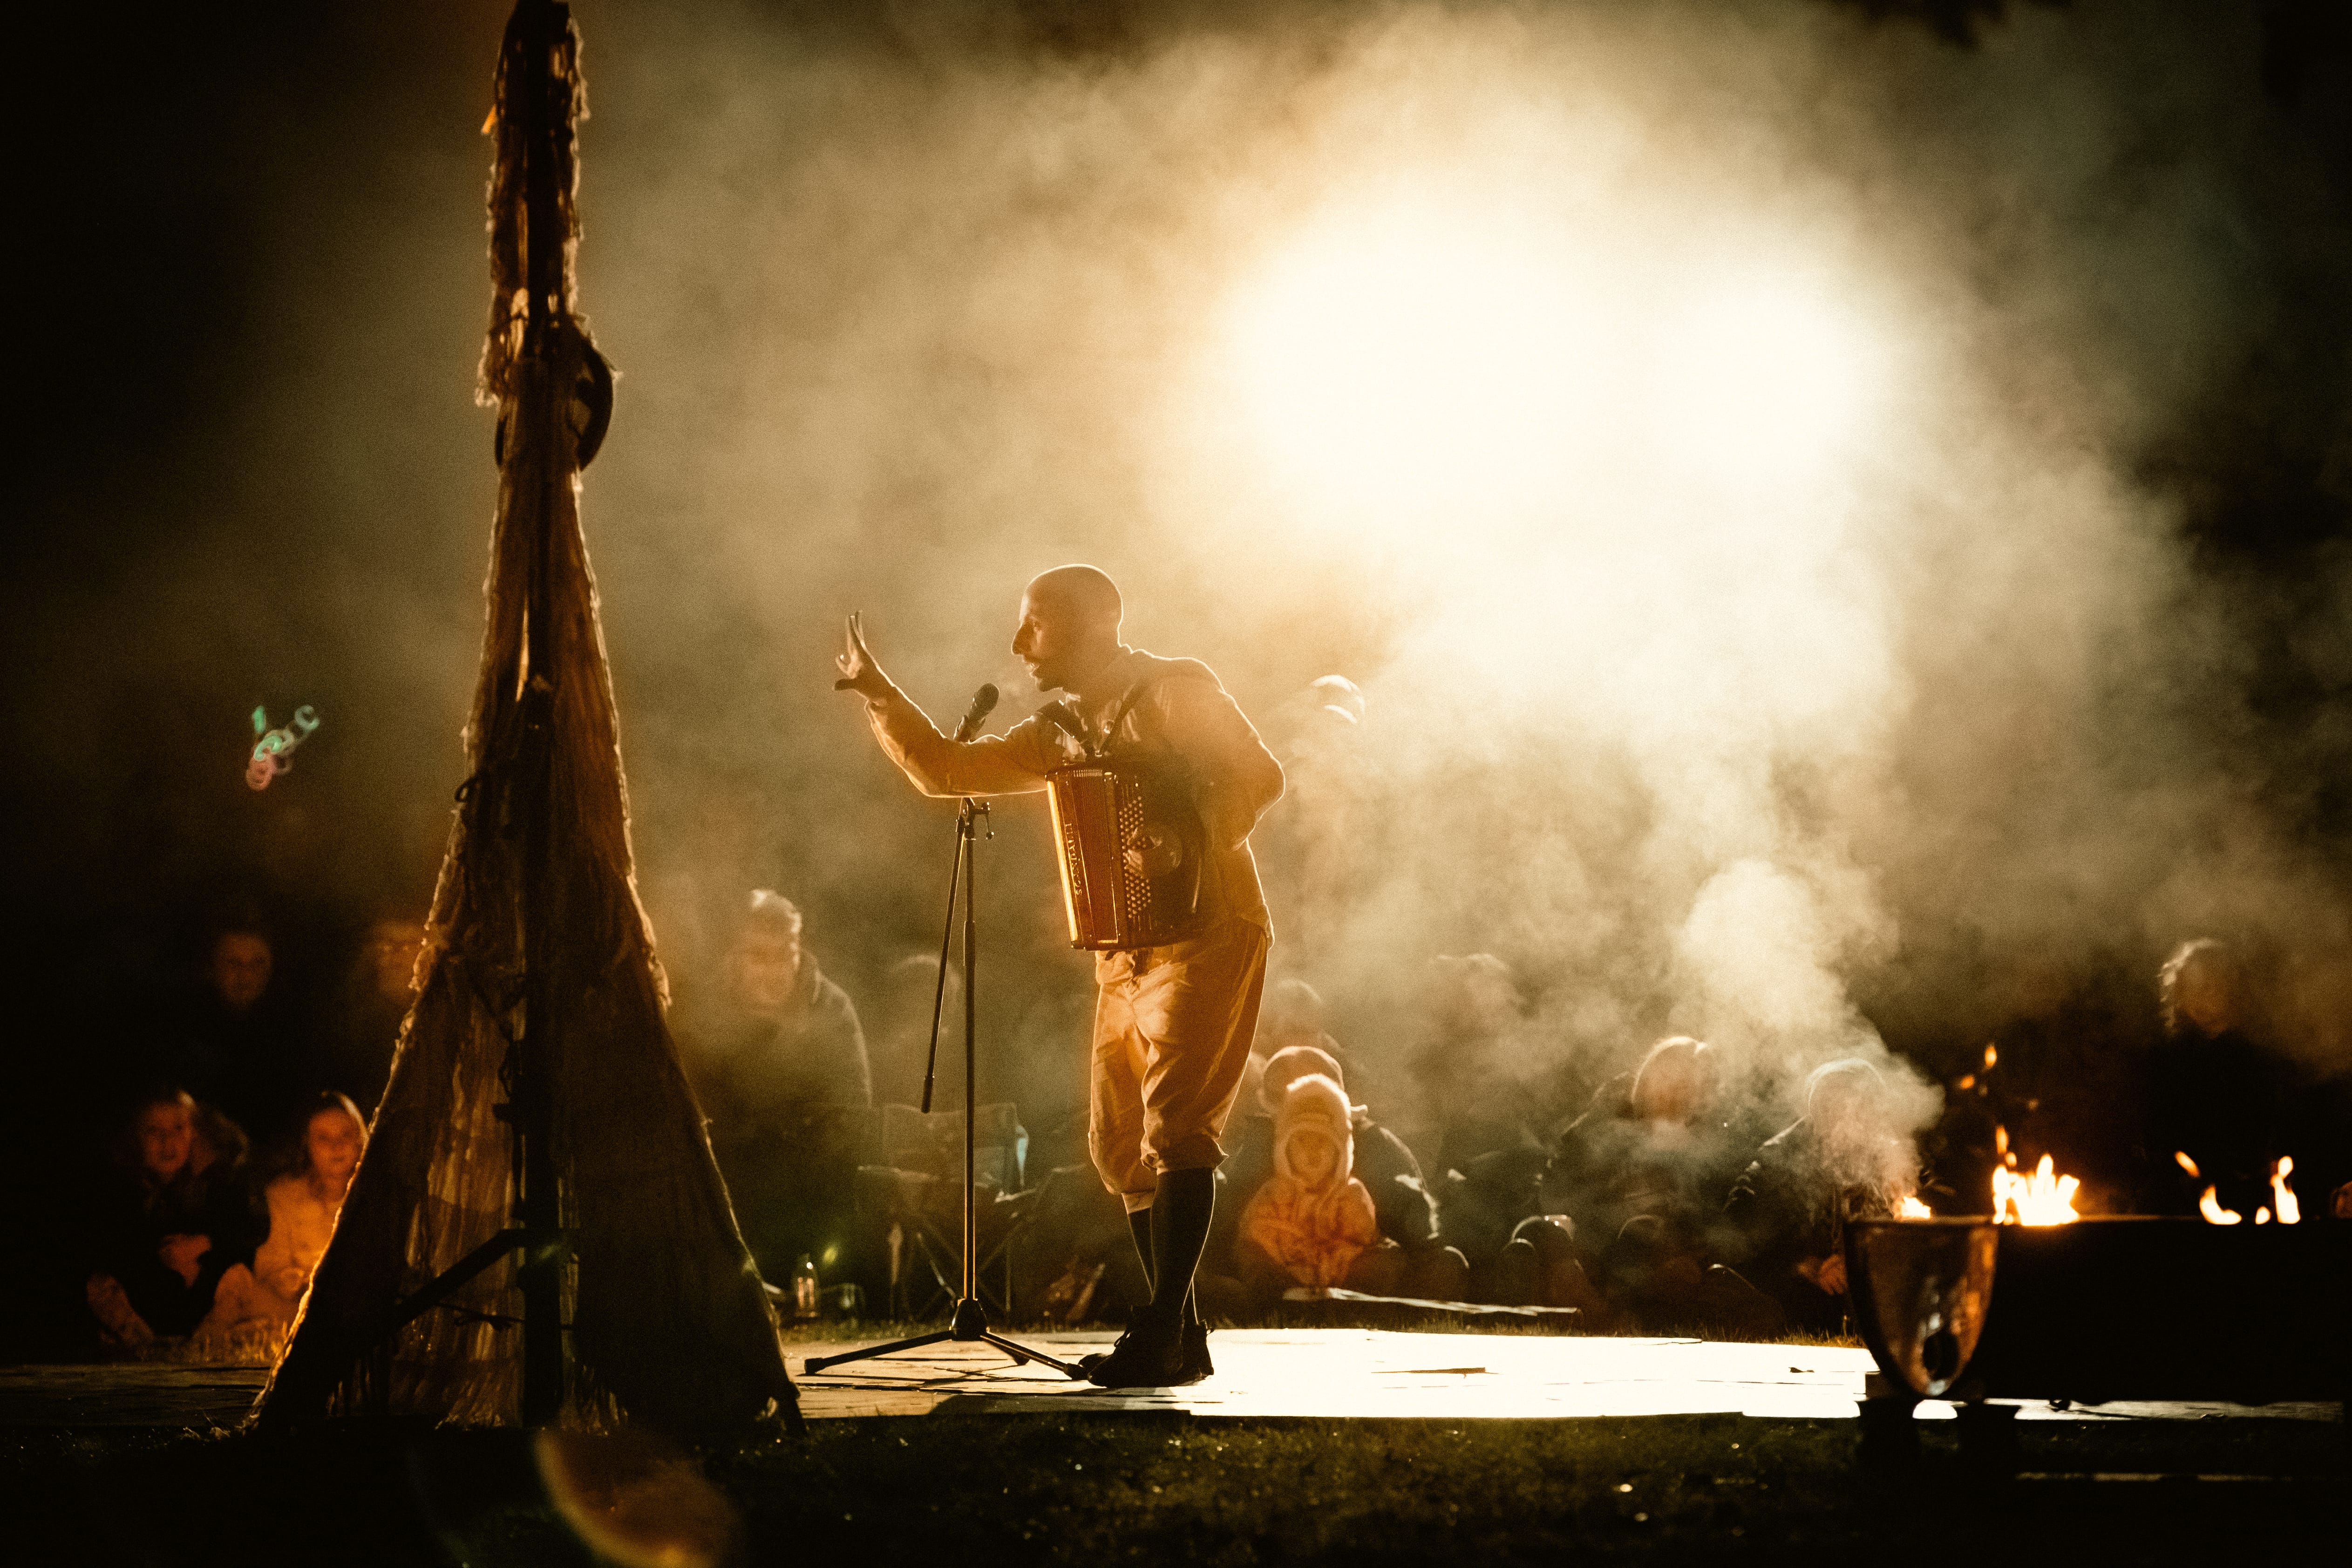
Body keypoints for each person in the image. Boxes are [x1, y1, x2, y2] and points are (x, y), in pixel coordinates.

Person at [836, 563, 1284, 1386]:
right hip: (1126, 949)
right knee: (1119, 1143)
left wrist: (1183, 831)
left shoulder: (1176, 694)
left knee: (1178, 1124)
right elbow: (948, 770)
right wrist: (880, 692)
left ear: (1099, 622)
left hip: (1210, 929)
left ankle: (1158, 1332)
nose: (1019, 643)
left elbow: (1259, 776)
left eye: (1036, 623)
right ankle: (1182, 1336)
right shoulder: (1059, 732)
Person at [677, 890, 872, 1287]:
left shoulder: (832, 1010)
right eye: (759, 956)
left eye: (785, 955)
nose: (774, 970)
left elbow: (854, 1108)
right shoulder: (703, 1013)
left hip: (810, 1192)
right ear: (735, 956)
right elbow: (688, 1106)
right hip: (732, 1191)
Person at [1722, 1059, 1919, 1334]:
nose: (1838, 1118)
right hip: (1801, 1294)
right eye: (1827, 1106)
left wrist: (1860, 1255)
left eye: (1852, 1106)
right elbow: (1739, 1220)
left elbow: (1927, 1208)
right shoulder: (1780, 1156)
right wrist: (1802, 1262)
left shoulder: (1894, 1156)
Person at [83, 1091, 259, 1351]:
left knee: (238, 1276)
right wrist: (162, 1259)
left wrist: (203, 1244)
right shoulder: (119, 1190)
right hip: (143, 1308)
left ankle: (206, 1345)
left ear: (194, 1134)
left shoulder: (215, 1185)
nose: (168, 1141)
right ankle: (143, 1348)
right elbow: (110, 1250)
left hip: (201, 1310)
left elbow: (250, 1229)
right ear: (137, 1138)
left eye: (178, 1129)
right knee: (99, 1284)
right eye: (155, 1131)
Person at [196, 1093, 366, 1352]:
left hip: (358, 1309)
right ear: (307, 1144)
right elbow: (271, 1269)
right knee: (237, 1285)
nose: (337, 1146)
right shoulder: (284, 1195)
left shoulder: (375, 1195)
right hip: (299, 1306)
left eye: (346, 1135)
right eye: (324, 1138)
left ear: (361, 1138)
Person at [1235, 1075, 1384, 1296]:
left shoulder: (1351, 1192)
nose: (1313, 1151)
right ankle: (1278, 1296)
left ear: (1339, 1151)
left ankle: (1346, 1297)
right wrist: (1296, 1253)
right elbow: (1258, 1228)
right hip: (1286, 1267)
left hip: (1338, 1273)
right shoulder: (1275, 1191)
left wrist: (1325, 1268)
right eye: (1303, 1141)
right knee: (1248, 1252)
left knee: (1385, 1258)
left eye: (1322, 1142)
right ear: (1285, 1149)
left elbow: (1358, 1239)